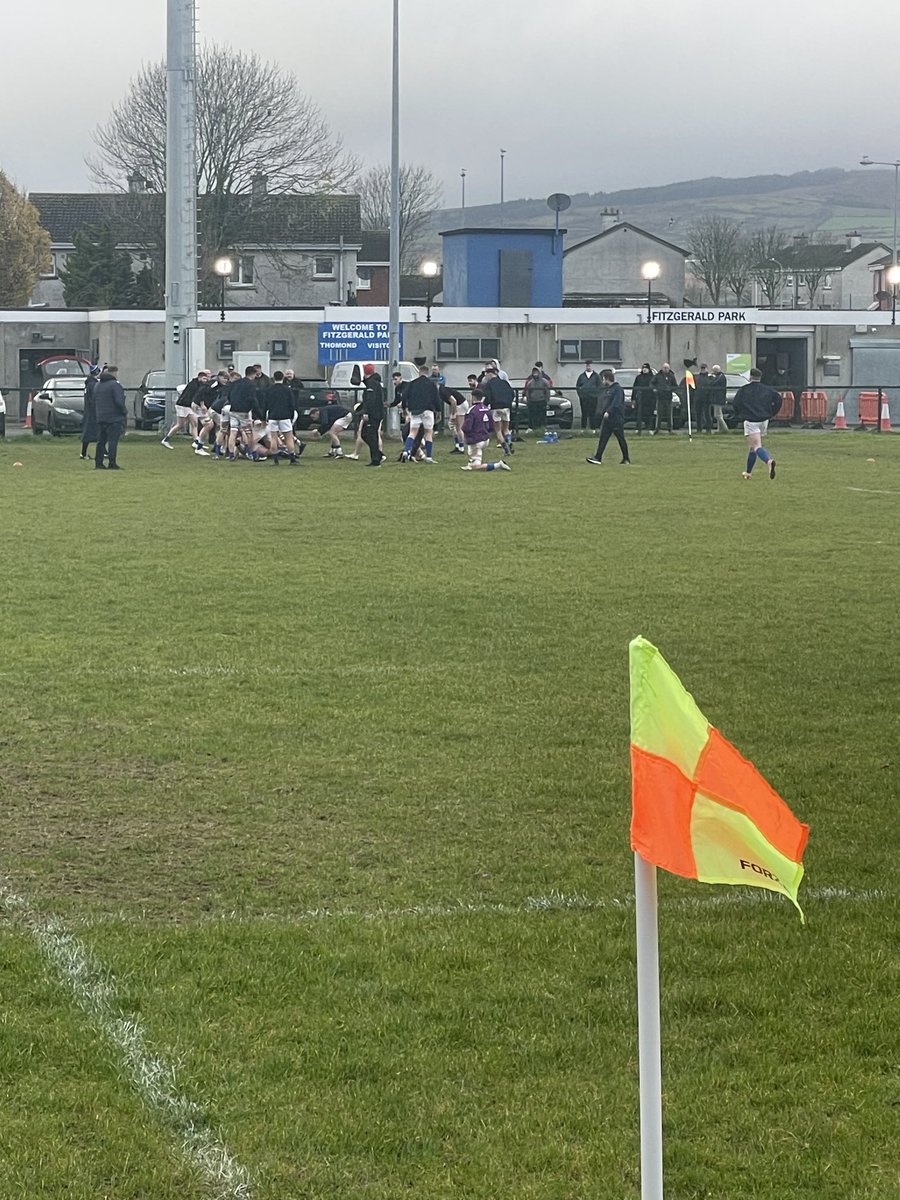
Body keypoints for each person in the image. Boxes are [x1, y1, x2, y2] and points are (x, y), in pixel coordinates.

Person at [732, 368, 779, 480]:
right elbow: (778, 400)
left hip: (751, 420)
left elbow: (736, 403)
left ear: (750, 377)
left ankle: (769, 461)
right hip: (764, 420)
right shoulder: (768, 390)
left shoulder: (744, 390)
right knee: (752, 447)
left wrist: (740, 415)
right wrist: (772, 412)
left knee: (756, 446)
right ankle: (748, 473)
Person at [586, 369, 631, 466]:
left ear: (607, 379)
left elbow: (617, 403)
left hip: (616, 418)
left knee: (620, 438)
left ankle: (626, 458)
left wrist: (608, 411)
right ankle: (598, 457)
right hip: (607, 419)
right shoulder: (608, 390)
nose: (602, 381)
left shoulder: (617, 389)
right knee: (603, 438)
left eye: (603, 379)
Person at [460, 389, 510, 472]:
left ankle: (498, 465)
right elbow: (491, 426)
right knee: (475, 455)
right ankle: (471, 463)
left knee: (475, 467)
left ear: (473, 397)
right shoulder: (487, 409)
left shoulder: (471, 410)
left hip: (475, 439)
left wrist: (465, 432)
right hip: (485, 438)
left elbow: (467, 427)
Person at [399, 364, 440, 463]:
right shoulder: (431, 384)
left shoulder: (412, 383)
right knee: (428, 433)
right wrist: (438, 411)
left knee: (412, 432)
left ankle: (406, 451)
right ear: (427, 373)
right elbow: (436, 399)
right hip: (428, 410)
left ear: (419, 372)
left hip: (415, 411)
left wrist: (404, 409)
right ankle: (429, 457)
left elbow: (404, 396)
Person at [161, 368, 208, 450]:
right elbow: (198, 396)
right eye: (204, 378)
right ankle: (166, 440)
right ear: (199, 377)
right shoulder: (194, 384)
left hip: (188, 406)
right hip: (182, 405)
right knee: (180, 425)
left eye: (206, 379)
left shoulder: (200, 385)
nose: (205, 380)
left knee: (194, 423)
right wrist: (201, 405)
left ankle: (196, 442)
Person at [261, 370, 300, 465]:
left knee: (273, 438)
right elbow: (292, 404)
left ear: (274, 378)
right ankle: (292, 459)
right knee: (289, 438)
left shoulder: (269, 390)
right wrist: (291, 416)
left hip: (273, 416)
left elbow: (265, 404)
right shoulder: (287, 390)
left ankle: (275, 460)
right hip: (285, 416)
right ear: (283, 378)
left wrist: (264, 417)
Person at [93, 365, 128, 470]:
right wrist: (124, 411)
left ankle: (98, 462)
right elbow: (119, 401)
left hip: (101, 417)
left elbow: (94, 399)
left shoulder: (97, 385)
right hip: (114, 418)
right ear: (114, 373)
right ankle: (112, 463)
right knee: (113, 441)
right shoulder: (115, 385)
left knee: (101, 441)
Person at [226, 366, 260, 460]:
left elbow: (229, 395)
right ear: (253, 374)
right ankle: (253, 453)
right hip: (243, 411)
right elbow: (252, 399)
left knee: (233, 432)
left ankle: (231, 454)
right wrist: (258, 413)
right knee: (249, 433)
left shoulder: (235, 383)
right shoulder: (251, 384)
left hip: (233, 410)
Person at [481, 365, 516, 455]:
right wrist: (508, 403)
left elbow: (487, 397)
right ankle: (509, 441)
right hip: (506, 408)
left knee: (498, 430)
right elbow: (512, 394)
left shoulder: (489, 384)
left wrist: (484, 406)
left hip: (496, 408)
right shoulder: (504, 382)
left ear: (489, 374)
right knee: (506, 429)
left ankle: (506, 448)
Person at [357, 365, 386, 466]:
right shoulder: (374, 383)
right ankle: (378, 454)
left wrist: (366, 412)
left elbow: (371, 400)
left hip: (373, 414)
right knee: (365, 434)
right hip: (376, 413)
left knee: (371, 435)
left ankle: (376, 460)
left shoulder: (372, 384)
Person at [575, 360, 603, 433]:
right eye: (587, 365)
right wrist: (581, 395)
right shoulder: (581, 376)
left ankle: (593, 429)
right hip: (584, 398)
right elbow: (578, 386)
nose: (588, 367)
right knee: (584, 413)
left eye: (590, 365)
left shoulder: (596, 376)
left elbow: (600, 387)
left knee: (592, 414)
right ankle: (583, 428)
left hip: (593, 398)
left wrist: (596, 395)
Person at [81, 364, 101, 460]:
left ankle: (84, 453)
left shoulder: (88, 383)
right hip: (93, 411)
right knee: (94, 432)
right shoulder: (93, 384)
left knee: (92, 432)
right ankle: (84, 453)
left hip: (89, 411)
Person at [523, 365, 550, 434]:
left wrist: (547, 400)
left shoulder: (545, 382)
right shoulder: (530, 383)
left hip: (542, 401)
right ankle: (531, 428)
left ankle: (543, 428)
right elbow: (527, 392)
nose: (535, 373)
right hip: (532, 402)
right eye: (534, 372)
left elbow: (547, 392)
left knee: (542, 416)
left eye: (536, 372)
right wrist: (528, 400)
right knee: (532, 416)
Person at [631, 363, 656, 436]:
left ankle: (650, 428)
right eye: (643, 368)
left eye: (646, 368)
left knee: (650, 414)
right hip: (641, 398)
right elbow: (634, 388)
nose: (644, 369)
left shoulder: (652, 377)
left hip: (650, 398)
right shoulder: (638, 377)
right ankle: (638, 428)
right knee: (639, 413)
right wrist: (633, 399)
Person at [653, 362, 678, 434]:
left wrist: (670, 389)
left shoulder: (671, 376)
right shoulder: (658, 376)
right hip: (660, 397)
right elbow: (652, 383)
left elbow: (675, 385)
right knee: (659, 414)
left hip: (668, 397)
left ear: (669, 368)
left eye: (667, 368)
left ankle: (670, 429)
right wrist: (655, 389)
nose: (665, 369)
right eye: (664, 368)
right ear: (662, 368)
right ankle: (657, 429)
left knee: (669, 414)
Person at [708, 364, 729, 433]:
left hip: (718, 398)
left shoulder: (720, 377)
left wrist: (711, 378)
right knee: (719, 414)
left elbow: (713, 383)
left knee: (717, 415)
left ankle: (725, 428)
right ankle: (720, 429)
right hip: (718, 398)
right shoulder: (720, 376)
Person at [694, 363, 712, 433]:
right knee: (698, 415)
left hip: (707, 399)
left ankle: (708, 429)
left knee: (707, 414)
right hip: (698, 398)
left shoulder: (710, 378)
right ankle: (699, 429)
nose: (703, 370)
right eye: (702, 368)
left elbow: (711, 388)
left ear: (707, 369)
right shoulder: (696, 378)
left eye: (704, 368)